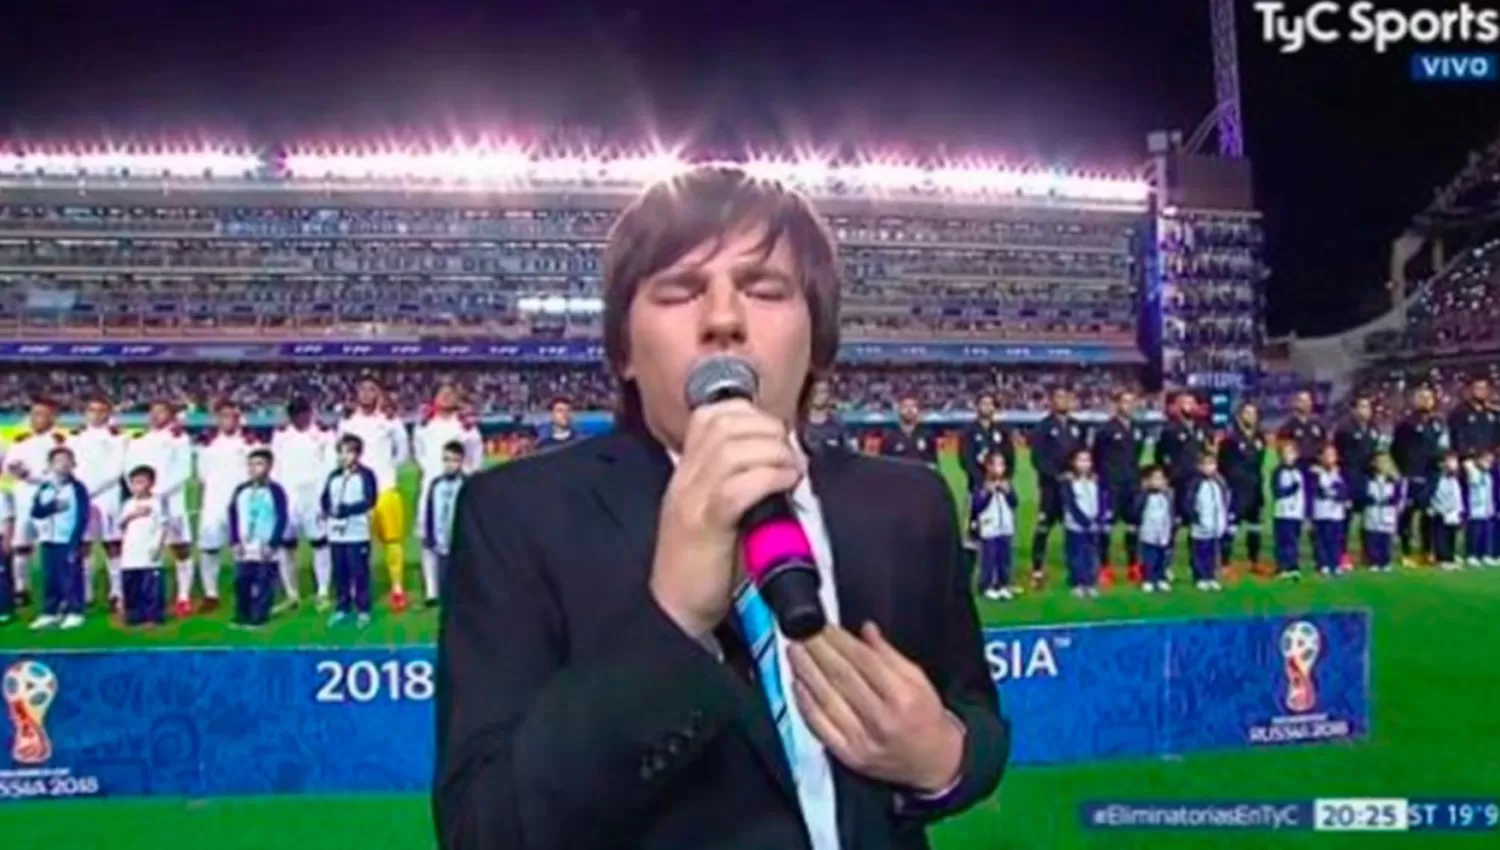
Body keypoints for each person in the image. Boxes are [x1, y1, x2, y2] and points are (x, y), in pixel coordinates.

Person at [434, 167, 1008, 850]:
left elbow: (973, 710)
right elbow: (482, 831)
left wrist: (942, 760)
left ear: (819, 342)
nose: (724, 319)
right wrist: (669, 622)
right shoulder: (515, 517)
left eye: (764, 289)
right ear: (622, 349)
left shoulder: (908, 503)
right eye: (679, 291)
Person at [337, 376, 410, 611]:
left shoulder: (390, 422)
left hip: (386, 489)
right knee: (356, 543)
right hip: (358, 494)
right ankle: (355, 588)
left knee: (392, 541)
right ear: (357, 394)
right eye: (363, 389)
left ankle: (397, 589)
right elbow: (340, 456)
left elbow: (403, 454)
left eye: (372, 389)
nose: (367, 393)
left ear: (378, 393)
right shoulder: (348, 424)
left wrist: (387, 470)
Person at [414, 387, 483, 606]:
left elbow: (475, 453)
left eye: (450, 394)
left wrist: (467, 475)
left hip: (457, 487)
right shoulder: (426, 424)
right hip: (432, 485)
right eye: (441, 393)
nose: (445, 397)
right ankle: (431, 591)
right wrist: (431, 472)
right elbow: (419, 452)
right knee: (428, 538)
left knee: (459, 536)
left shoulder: (463, 425)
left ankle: (461, 586)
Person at [270, 397, 335, 609]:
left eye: (303, 412)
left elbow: (330, 466)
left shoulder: (324, 435)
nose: (299, 417)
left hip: (313, 496)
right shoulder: (280, 437)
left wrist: (324, 498)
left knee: (320, 543)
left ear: (310, 412)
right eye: (295, 414)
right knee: (285, 545)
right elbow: (275, 467)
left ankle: (323, 591)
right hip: (288, 496)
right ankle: (291, 594)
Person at [192, 400, 256, 617]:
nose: (228, 419)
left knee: (244, 547)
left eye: (232, 415)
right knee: (210, 548)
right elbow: (201, 475)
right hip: (214, 501)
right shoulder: (207, 444)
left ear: (239, 417)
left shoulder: (250, 443)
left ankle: (246, 589)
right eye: (224, 415)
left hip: (243, 501)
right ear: (218, 418)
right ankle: (211, 594)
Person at [4, 398, 68, 608]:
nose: (36, 419)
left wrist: (32, 475)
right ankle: (21, 589)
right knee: (21, 546)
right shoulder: (19, 439)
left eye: (41, 414)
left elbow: (62, 470)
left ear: (52, 417)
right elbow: (8, 466)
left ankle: (59, 589)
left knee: (53, 545)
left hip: (50, 497)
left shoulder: (61, 440)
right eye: (33, 414)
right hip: (23, 498)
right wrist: (16, 470)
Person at [122, 401, 194, 585]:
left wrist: (159, 491)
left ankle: (183, 595)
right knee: (145, 543)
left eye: (161, 411)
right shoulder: (138, 440)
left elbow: (184, 470)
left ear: (170, 415)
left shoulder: (178, 438)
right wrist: (138, 491)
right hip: (144, 500)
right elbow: (128, 468)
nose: (155, 415)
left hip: (171, 499)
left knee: (180, 546)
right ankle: (146, 589)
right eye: (152, 411)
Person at [69, 395, 128, 610]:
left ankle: (117, 592)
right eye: (92, 410)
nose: (96, 414)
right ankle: (86, 593)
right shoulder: (74, 437)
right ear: (85, 413)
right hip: (81, 496)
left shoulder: (118, 438)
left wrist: (91, 490)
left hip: (107, 495)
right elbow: (69, 465)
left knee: (112, 543)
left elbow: (118, 468)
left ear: (109, 413)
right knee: (83, 545)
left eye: (101, 410)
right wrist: (80, 490)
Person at [28, 446, 90, 629]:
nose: (62, 465)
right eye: (57, 461)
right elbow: (36, 512)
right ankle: (50, 611)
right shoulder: (45, 487)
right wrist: (51, 507)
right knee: (50, 576)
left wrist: (75, 541)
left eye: (66, 461)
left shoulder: (77, 488)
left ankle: (75, 610)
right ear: (50, 465)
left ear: (73, 464)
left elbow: (83, 515)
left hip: (68, 539)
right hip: (48, 539)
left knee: (71, 575)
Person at [1029, 386, 1083, 586]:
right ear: (1051, 401)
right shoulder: (1042, 427)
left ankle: (1076, 564)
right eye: (1059, 397)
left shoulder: (1077, 426)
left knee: (1073, 526)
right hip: (1050, 487)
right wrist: (1056, 475)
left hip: (1072, 486)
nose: (1064, 401)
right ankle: (1037, 567)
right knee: (1044, 526)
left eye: (1067, 397)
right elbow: (1037, 458)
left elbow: (1082, 454)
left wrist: (1076, 473)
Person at [230, 449, 290, 629]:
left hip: (265, 544)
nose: (254, 468)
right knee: (242, 581)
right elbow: (233, 515)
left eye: (259, 464)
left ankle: (259, 616)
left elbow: (281, 517)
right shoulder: (241, 490)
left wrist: (273, 543)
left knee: (264, 582)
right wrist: (234, 541)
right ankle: (242, 614)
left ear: (269, 467)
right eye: (251, 464)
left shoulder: (276, 491)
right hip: (244, 544)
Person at [322, 434, 378, 628]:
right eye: (341, 452)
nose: (344, 456)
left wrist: (346, 509)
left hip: (357, 531)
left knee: (359, 571)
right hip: (336, 533)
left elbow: (370, 500)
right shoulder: (334, 475)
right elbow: (325, 498)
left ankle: (363, 609)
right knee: (340, 571)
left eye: (348, 451)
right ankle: (342, 607)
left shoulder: (365, 475)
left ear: (357, 454)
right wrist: (328, 511)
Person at [1089, 390, 1143, 580]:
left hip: (1132, 485)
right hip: (1110, 485)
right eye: (1125, 402)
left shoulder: (1137, 428)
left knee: (1133, 526)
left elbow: (1137, 455)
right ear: (1117, 405)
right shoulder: (1105, 430)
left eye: (1132, 401)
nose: (1129, 405)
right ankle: (1104, 566)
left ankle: (1133, 564)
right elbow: (1096, 455)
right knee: (1106, 527)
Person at [1391, 386, 1448, 566]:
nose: (1426, 401)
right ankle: (1406, 551)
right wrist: (1405, 468)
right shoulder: (1406, 424)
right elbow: (1396, 449)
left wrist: (1441, 462)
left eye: (1429, 397)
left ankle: (1426, 550)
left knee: (1429, 513)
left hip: (1432, 474)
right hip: (1412, 474)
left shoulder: (1438, 422)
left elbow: (1443, 446)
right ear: (1415, 400)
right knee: (1408, 512)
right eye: (1422, 397)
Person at [1216, 402, 1267, 574]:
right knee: (1230, 527)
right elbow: (1222, 464)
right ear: (1239, 416)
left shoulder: (1260, 438)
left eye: (1253, 413)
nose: (1251, 417)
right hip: (1236, 489)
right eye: (1247, 413)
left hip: (1255, 487)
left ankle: (1254, 561)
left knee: (1255, 526)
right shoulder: (1230, 439)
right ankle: (1225, 564)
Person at [118, 465, 169, 627]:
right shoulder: (128, 504)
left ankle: (152, 617)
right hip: (130, 552)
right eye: (134, 483)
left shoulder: (156, 503)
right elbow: (121, 524)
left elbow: (163, 526)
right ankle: (134, 615)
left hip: (149, 550)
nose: (137, 486)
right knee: (132, 584)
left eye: (141, 482)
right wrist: (133, 515)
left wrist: (158, 547)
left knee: (150, 586)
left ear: (151, 483)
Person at [1334, 396, 1382, 568]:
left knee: (1369, 518)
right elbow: (1338, 452)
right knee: (1345, 518)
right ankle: (1341, 553)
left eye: (1368, 407)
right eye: (1362, 406)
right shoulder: (1345, 429)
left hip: (1367, 478)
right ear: (1354, 409)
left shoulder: (1373, 429)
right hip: (1349, 476)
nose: (1365, 410)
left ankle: (1369, 553)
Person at [420, 440, 468, 607]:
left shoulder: (466, 484)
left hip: (461, 546)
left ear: (462, 461)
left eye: (454, 460)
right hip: (441, 545)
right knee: (444, 586)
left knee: (463, 588)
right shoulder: (436, 484)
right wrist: (429, 535)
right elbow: (430, 511)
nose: (450, 464)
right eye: (446, 459)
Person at [969, 452, 1017, 600]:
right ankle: (986, 585)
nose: (999, 468)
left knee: (1004, 558)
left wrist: (1007, 491)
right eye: (995, 464)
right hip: (989, 527)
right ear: (988, 467)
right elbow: (977, 506)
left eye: (1001, 465)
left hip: (1005, 527)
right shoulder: (981, 485)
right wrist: (988, 492)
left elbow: (1014, 502)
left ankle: (1003, 584)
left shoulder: (1007, 484)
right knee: (989, 558)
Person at [1060, 448, 1105, 598]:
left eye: (1087, 460)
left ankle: (1090, 582)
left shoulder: (1095, 480)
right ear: (1073, 462)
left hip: (1093, 525)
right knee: (1076, 554)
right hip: (1075, 525)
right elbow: (1071, 504)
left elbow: (1101, 500)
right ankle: (1078, 582)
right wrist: (1084, 521)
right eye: (1081, 460)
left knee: (1091, 554)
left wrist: (1098, 518)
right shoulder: (1069, 481)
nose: (1084, 464)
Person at [1183, 451, 1229, 591]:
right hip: (1200, 524)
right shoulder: (1195, 483)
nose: (1209, 467)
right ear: (1199, 466)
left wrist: (1223, 519)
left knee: (1213, 551)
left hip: (1215, 524)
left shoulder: (1219, 481)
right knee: (1199, 551)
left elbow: (1224, 500)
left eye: (1212, 464)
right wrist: (1195, 517)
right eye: (1205, 464)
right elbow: (1189, 501)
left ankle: (1211, 576)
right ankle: (1200, 576)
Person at [959, 391, 1015, 495]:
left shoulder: (1002, 429)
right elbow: (966, 460)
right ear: (977, 407)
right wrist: (982, 481)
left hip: (1001, 485)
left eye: (990, 404)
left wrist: (1006, 479)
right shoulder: (969, 431)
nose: (987, 407)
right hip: (977, 485)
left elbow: (1010, 457)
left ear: (994, 407)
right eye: (983, 403)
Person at [1310, 444, 1349, 576]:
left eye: (1332, 455)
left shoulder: (1338, 473)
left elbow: (1343, 491)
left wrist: (1334, 493)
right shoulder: (1315, 472)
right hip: (1321, 512)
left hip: (1336, 513)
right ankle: (1323, 563)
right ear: (1320, 457)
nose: (1329, 458)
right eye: (1326, 455)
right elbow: (1317, 490)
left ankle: (1335, 563)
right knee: (1321, 539)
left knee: (1335, 539)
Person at [1270, 442, 1307, 579]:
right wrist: (1291, 489)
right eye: (1285, 453)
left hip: (1296, 512)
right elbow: (1277, 492)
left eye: (1291, 453)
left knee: (1294, 540)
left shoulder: (1298, 471)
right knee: (1283, 540)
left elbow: (1302, 492)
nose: (1288, 456)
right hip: (1283, 512)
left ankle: (1293, 565)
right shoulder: (1278, 471)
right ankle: (1282, 566)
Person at [1135, 465, 1174, 592]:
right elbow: (1136, 509)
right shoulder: (1145, 496)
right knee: (1149, 557)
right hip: (1149, 532)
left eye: (1160, 479)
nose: (1158, 482)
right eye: (1155, 479)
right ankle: (1148, 579)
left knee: (1163, 556)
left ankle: (1161, 578)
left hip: (1163, 532)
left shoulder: (1167, 496)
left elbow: (1170, 512)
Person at [1362, 453, 1403, 572]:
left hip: (1387, 512)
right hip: (1373, 510)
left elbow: (1398, 496)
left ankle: (1385, 560)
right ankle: (1373, 560)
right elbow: (1363, 493)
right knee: (1373, 536)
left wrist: (1393, 502)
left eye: (1385, 462)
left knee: (1385, 537)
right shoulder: (1369, 478)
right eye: (1379, 462)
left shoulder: (1394, 480)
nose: (1382, 465)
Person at [1429, 451, 1465, 571]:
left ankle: (1450, 558)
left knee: (1451, 535)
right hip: (1441, 511)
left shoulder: (1455, 478)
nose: (1454, 464)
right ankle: (1442, 559)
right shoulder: (1437, 477)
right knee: (1441, 535)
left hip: (1453, 512)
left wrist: (1459, 510)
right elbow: (1433, 493)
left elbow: (1457, 494)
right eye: (1450, 461)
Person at [1448, 377, 1500, 458]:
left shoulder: (1494, 413)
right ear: (1471, 390)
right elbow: (1455, 438)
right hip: (1468, 459)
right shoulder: (1460, 412)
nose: (1482, 391)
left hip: (1492, 459)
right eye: (1478, 388)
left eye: (1484, 388)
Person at [881, 395, 937, 465]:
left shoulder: (927, 435)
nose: (909, 409)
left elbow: (933, 464)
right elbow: (884, 466)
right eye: (905, 406)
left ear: (919, 412)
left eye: (913, 406)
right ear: (899, 411)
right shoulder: (890, 438)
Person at [801, 379, 852, 456]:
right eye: (814, 391)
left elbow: (848, 452)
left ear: (829, 394)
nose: (817, 395)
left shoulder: (837, 423)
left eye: (822, 391)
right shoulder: (800, 424)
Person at [1462, 450, 1494, 567]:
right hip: (1474, 508)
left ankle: (1484, 554)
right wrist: (1470, 466)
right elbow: (1473, 482)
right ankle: (1471, 555)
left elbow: (1489, 493)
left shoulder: (1488, 475)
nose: (1489, 463)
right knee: (1474, 533)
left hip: (1486, 509)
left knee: (1485, 533)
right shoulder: (1474, 472)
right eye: (1486, 460)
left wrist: (1490, 508)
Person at [0, 487, 13, 624]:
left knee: (2, 576)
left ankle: (3, 610)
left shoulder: (3, 495)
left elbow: (8, 519)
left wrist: (7, 540)